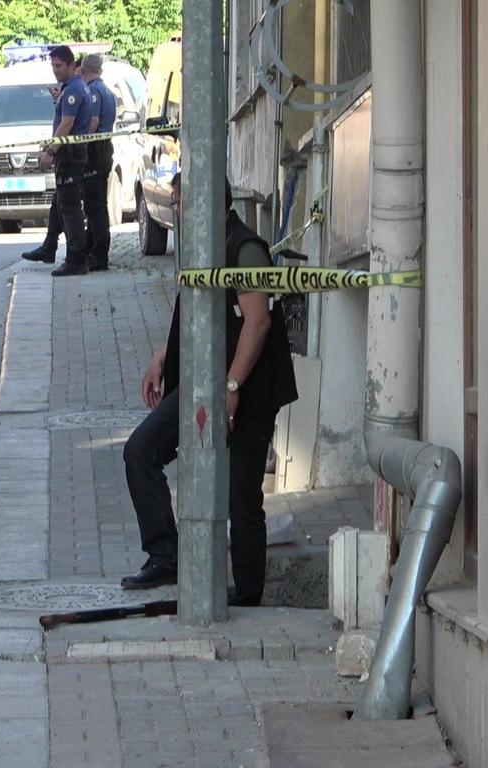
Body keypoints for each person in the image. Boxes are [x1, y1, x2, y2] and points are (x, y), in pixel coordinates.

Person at [120, 175, 299, 607]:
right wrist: (163, 355)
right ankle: (166, 556)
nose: (177, 211)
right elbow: (202, 315)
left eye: (181, 201)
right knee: (140, 451)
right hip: (202, 384)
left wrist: (232, 386)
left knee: (242, 495)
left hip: (250, 390)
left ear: (207, 203)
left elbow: (257, 322)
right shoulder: (202, 247)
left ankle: (248, 594)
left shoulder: (245, 247)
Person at [38, 47, 92, 277]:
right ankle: (52, 248)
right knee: (62, 205)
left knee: (70, 210)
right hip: (70, 155)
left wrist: (51, 151)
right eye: (52, 66)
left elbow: (67, 124)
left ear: (71, 65)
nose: (55, 70)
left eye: (59, 66)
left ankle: (76, 260)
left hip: (71, 156)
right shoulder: (71, 88)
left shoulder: (74, 90)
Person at [82, 54, 117, 272]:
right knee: (97, 205)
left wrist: (81, 142)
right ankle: (92, 250)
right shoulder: (108, 91)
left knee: (94, 207)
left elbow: (93, 121)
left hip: (95, 150)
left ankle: (98, 254)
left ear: (83, 70)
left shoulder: (93, 91)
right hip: (104, 149)